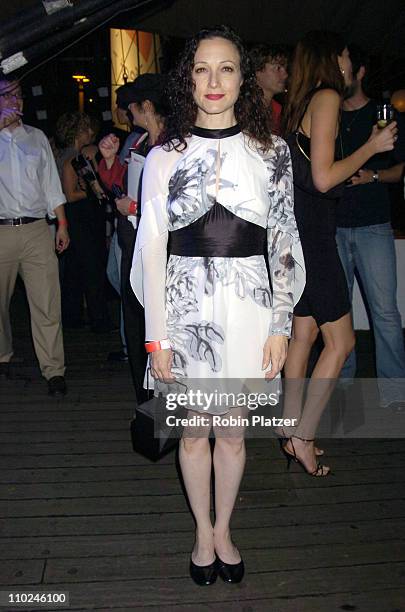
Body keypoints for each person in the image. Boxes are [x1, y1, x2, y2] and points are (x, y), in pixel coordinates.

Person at [130, 26, 305, 585]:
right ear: (189, 79)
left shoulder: (272, 152)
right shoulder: (164, 157)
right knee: (192, 431)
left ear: (242, 78)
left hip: (250, 308)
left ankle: (223, 528)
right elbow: (151, 249)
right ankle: (201, 535)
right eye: (202, 69)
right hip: (185, 313)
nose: (213, 81)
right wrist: (156, 337)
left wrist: (280, 325)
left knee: (231, 431)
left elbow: (283, 239)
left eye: (226, 68)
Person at [281, 31, 397, 475]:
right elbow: (326, 179)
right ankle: (304, 437)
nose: (349, 66)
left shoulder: (301, 102)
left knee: (304, 336)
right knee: (343, 341)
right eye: (346, 57)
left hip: (300, 236)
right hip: (315, 239)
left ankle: (289, 429)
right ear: (332, 60)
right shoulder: (327, 96)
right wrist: (373, 147)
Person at [336, 45, 405, 412]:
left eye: (343, 67)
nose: (336, 74)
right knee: (338, 312)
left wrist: (373, 175)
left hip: (374, 226)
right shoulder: (326, 113)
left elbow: (399, 169)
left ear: (360, 72)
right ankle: (344, 385)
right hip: (334, 225)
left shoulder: (383, 114)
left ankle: (394, 392)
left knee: (385, 313)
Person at [98, 74, 168, 403]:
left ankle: (167, 397)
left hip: (161, 250)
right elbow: (120, 185)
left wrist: (135, 207)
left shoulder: (173, 144)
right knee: (136, 321)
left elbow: (176, 203)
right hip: (133, 245)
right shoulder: (138, 142)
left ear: (148, 106)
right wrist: (110, 161)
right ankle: (145, 400)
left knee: (159, 323)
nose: (127, 110)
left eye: (132, 105)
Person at [0, 77, 69, 396]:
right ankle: (3, 355)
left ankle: (54, 369)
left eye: (19, 96)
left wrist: (62, 224)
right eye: (10, 96)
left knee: (46, 302)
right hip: (1, 231)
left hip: (37, 230)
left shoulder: (37, 138)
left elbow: (51, 184)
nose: (18, 102)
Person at [56, 111, 111, 333]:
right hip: (80, 217)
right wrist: (93, 192)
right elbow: (70, 194)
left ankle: (74, 318)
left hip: (78, 218)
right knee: (91, 269)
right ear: (80, 131)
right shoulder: (73, 158)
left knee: (76, 270)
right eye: (89, 129)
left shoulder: (67, 154)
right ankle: (99, 320)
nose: (92, 133)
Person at [250, 43, 288, 135]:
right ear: (257, 70)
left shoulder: (277, 108)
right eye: (278, 68)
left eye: (285, 69)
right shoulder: (243, 109)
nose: (285, 75)